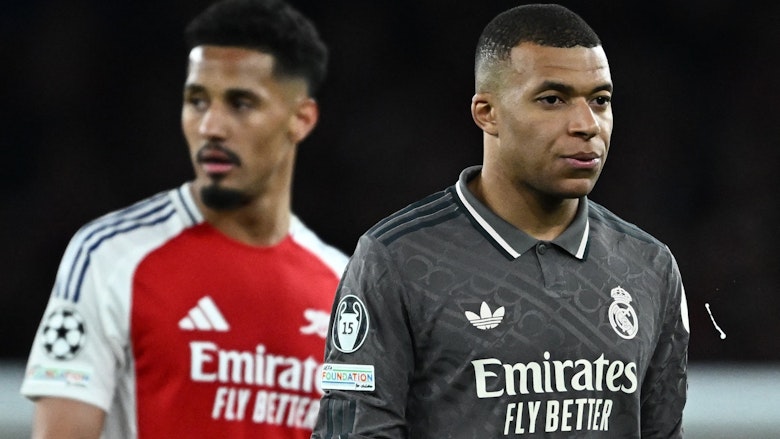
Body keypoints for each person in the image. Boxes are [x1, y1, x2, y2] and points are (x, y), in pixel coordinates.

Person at [312, 4, 689, 438]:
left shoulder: (649, 266)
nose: (587, 124)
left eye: (600, 100)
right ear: (486, 112)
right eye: (553, 99)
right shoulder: (397, 260)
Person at [20, 0, 348, 437]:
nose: (211, 126)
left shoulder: (345, 288)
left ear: (301, 119)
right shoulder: (110, 257)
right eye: (197, 101)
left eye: (241, 103)